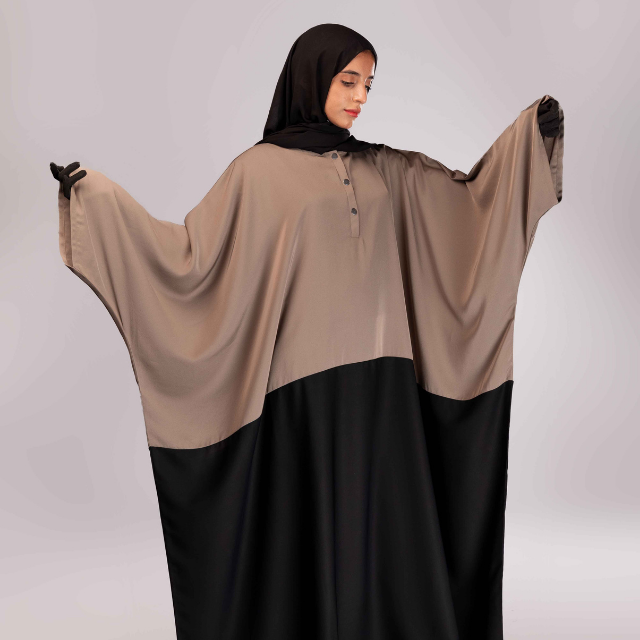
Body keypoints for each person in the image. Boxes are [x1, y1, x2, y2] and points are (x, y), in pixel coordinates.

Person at [50, 23, 563, 640]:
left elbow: (470, 203)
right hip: (303, 402)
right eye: (348, 81)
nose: (360, 97)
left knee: (388, 541)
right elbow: (188, 260)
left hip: (386, 395)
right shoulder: (256, 174)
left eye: (368, 85)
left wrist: (527, 141)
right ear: (311, 77)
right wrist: (100, 200)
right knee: (312, 546)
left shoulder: (387, 169)